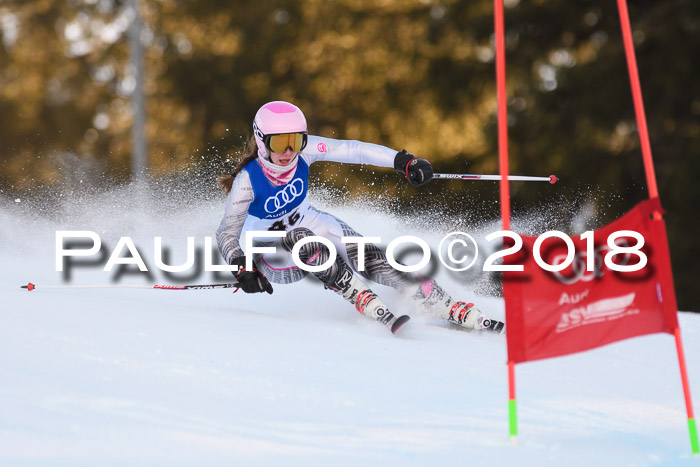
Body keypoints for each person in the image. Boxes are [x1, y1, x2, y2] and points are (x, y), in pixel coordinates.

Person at [216, 100, 504, 334]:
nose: (289, 151)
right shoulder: (247, 181)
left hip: (310, 222)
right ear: (261, 140)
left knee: (370, 256)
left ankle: (442, 303)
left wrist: (403, 161)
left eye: (295, 140)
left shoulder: (304, 152)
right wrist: (241, 268)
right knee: (302, 240)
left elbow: (353, 150)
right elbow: (227, 233)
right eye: (280, 143)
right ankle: (358, 295)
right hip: (273, 255)